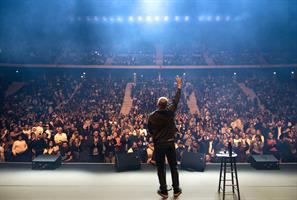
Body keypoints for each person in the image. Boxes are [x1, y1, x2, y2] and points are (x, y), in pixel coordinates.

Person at [148, 76, 182, 199]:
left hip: (159, 144)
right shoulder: (170, 111)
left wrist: (156, 136)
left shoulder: (151, 116)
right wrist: (179, 86)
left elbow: (149, 130)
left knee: (160, 168)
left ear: (157, 104)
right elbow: (176, 101)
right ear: (166, 105)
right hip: (170, 142)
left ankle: (164, 191)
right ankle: (176, 189)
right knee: (173, 166)